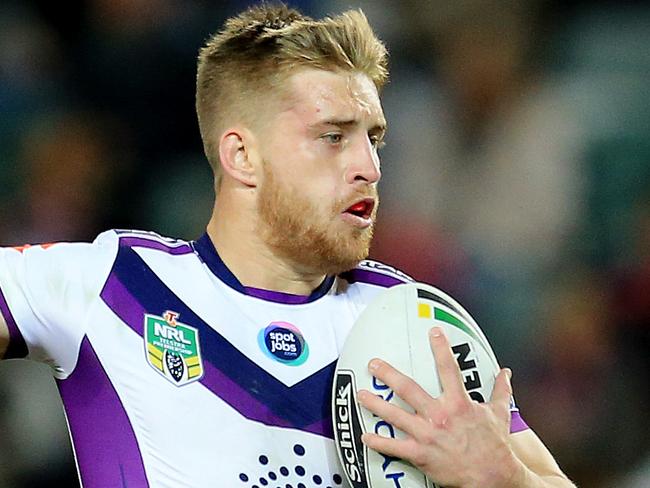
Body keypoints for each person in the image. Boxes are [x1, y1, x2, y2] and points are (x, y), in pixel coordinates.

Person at [0, 4, 574, 487]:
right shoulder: (115, 285)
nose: (369, 167)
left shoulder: (410, 321)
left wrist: (510, 481)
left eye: (373, 139)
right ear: (242, 156)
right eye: (333, 137)